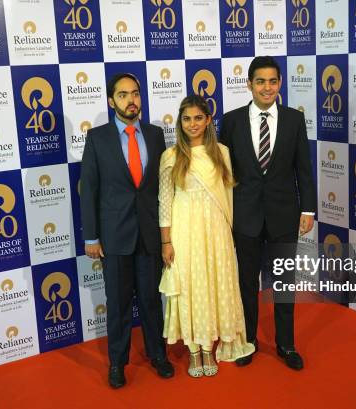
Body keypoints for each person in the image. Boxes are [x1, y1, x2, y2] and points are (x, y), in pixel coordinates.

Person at [219, 56, 317, 370]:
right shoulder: (231, 121)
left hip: (284, 215)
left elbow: (304, 168)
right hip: (244, 216)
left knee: (285, 282)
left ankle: (286, 344)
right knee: (247, 282)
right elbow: (223, 172)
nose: (267, 87)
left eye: (273, 81)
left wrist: (308, 209)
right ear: (249, 84)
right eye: (260, 81)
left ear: (280, 84)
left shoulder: (294, 120)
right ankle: (248, 341)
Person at [80, 73, 174, 388]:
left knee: (150, 300)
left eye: (135, 93)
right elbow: (89, 190)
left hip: (149, 234)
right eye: (122, 95)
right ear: (111, 101)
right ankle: (117, 363)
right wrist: (91, 237)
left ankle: (157, 355)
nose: (130, 100)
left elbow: (163, 189)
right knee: (118, 304)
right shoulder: (97, 138)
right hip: (114, 236)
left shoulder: (156, 134)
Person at [158, 95, 255, 378]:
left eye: (198, 118)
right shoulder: (171, 156)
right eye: (187, 119)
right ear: (180, 122)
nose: (193, 124)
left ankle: (211, 347)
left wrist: (230, 233)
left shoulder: (221, 153)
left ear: (209, 120)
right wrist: (166, 241)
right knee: (190, 287)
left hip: (216, 232)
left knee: (215, 285)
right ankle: (194, 350)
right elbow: (164, 202)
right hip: (185, 232)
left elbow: (228, 197)